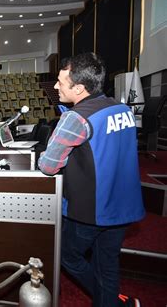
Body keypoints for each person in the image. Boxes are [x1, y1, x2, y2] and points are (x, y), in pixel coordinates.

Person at [37, 53, 144, 307]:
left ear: (79, 88)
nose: (55, 86)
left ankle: (111, 301)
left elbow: (49, 166)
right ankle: (114, 303)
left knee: (66, 257)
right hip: (122, 207)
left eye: (61, 82)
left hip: (90, 210)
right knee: (107, 264)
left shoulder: (75, 118)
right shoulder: (122, 109)